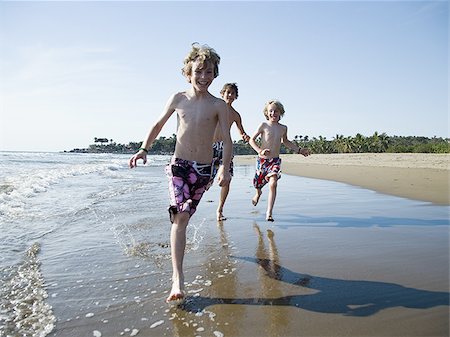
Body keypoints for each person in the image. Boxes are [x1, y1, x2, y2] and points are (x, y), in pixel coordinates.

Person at [128, 43, 232, 304]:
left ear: (215, 74)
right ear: (188, 72)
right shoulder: (178, 98)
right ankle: (178, 278)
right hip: (179, 165)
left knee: (185, 216)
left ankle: (178, 266)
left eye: (209, 72)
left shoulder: (219, 105)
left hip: (204, 170)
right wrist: (143, 149)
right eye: (199, 71)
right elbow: (158, 124)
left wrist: (223, 169)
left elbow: (228, 141)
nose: (204, 77)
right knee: (181, 216)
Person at [248, 100, 310, 222]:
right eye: (270, 111)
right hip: (262, 161)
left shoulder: (283, 128)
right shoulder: (263, 125)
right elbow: (251, 140)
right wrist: (260, 151)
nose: (273, 113)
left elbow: (285, 141)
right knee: (257, 183)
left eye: (276, 111)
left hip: (274, 161)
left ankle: (269, 212)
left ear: (281, 112)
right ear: (266, 112)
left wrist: (299, 150)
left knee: (273, 183)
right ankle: (258, 193)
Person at [212, 83, 250, 221]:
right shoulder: (214, 107)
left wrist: (245, 136)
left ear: (235, 96)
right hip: (210, 145)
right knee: (204, 179)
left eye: (232, 93)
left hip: (226, 147)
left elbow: (241, 132)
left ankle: (220, 209)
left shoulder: (235, 114)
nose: (230, 95)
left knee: (227, 180)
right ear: (222, 93)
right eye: (227, 92)